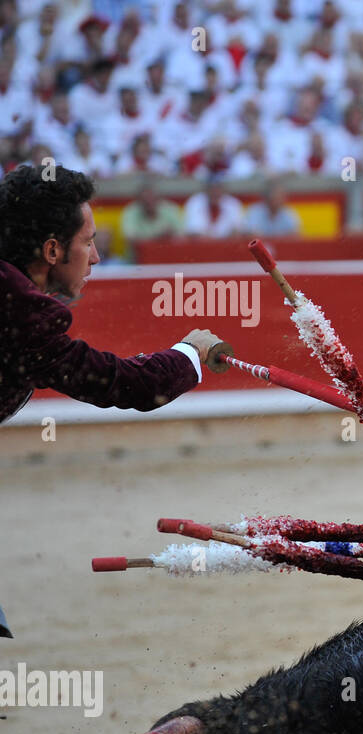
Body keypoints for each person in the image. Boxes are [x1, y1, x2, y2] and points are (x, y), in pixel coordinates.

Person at [0, 165, 224, 642]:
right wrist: (190, 353)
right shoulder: (18, 311)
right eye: (89, 241)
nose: (97, 257)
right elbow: (123, 384)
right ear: (53, 250)